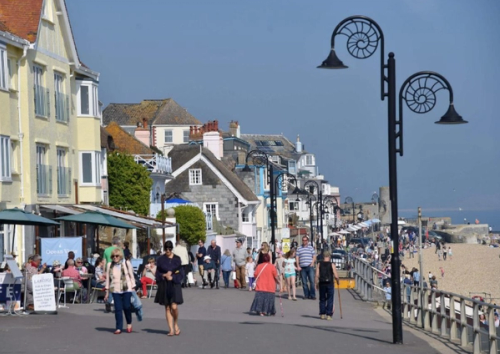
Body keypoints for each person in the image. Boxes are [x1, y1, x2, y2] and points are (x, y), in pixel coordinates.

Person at [154, 240, 184, 336]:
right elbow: (157, 273)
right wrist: (163, 275)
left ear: (172, 249)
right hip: (164, 285)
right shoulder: (161, 259)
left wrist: (173, 277)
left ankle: (175, 324)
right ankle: (171, 329)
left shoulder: (177, 259)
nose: (167, 250)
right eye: (166, 248)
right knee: (167, 308)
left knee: (174, 307)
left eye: (169, 249)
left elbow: (181, 273)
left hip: (174, 284)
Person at [104, 249, 135, 334]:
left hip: (126, 288)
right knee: (118, 309)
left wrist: (133, 286)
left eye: (117, 256)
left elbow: (131, 276)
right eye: (113, 256)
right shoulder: (109, 265)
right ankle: (118, 328)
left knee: (127, 307)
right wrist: (107, 291)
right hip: (115, 289)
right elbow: (108, 279)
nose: (115, 258)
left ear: (120, 256)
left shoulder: (126, 263)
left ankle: (129, 323)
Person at [315, 251, 340, 320]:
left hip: (322, 283)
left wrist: (316, 283)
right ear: (329, 257)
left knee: (322, 298)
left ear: (323, 257)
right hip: (330, 283)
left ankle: (322, 314)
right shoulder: (332, 264)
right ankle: (329, 314)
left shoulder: (319, 264)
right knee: (330, 299)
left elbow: (317, 275)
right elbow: (336, 275)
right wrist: (338, 280)